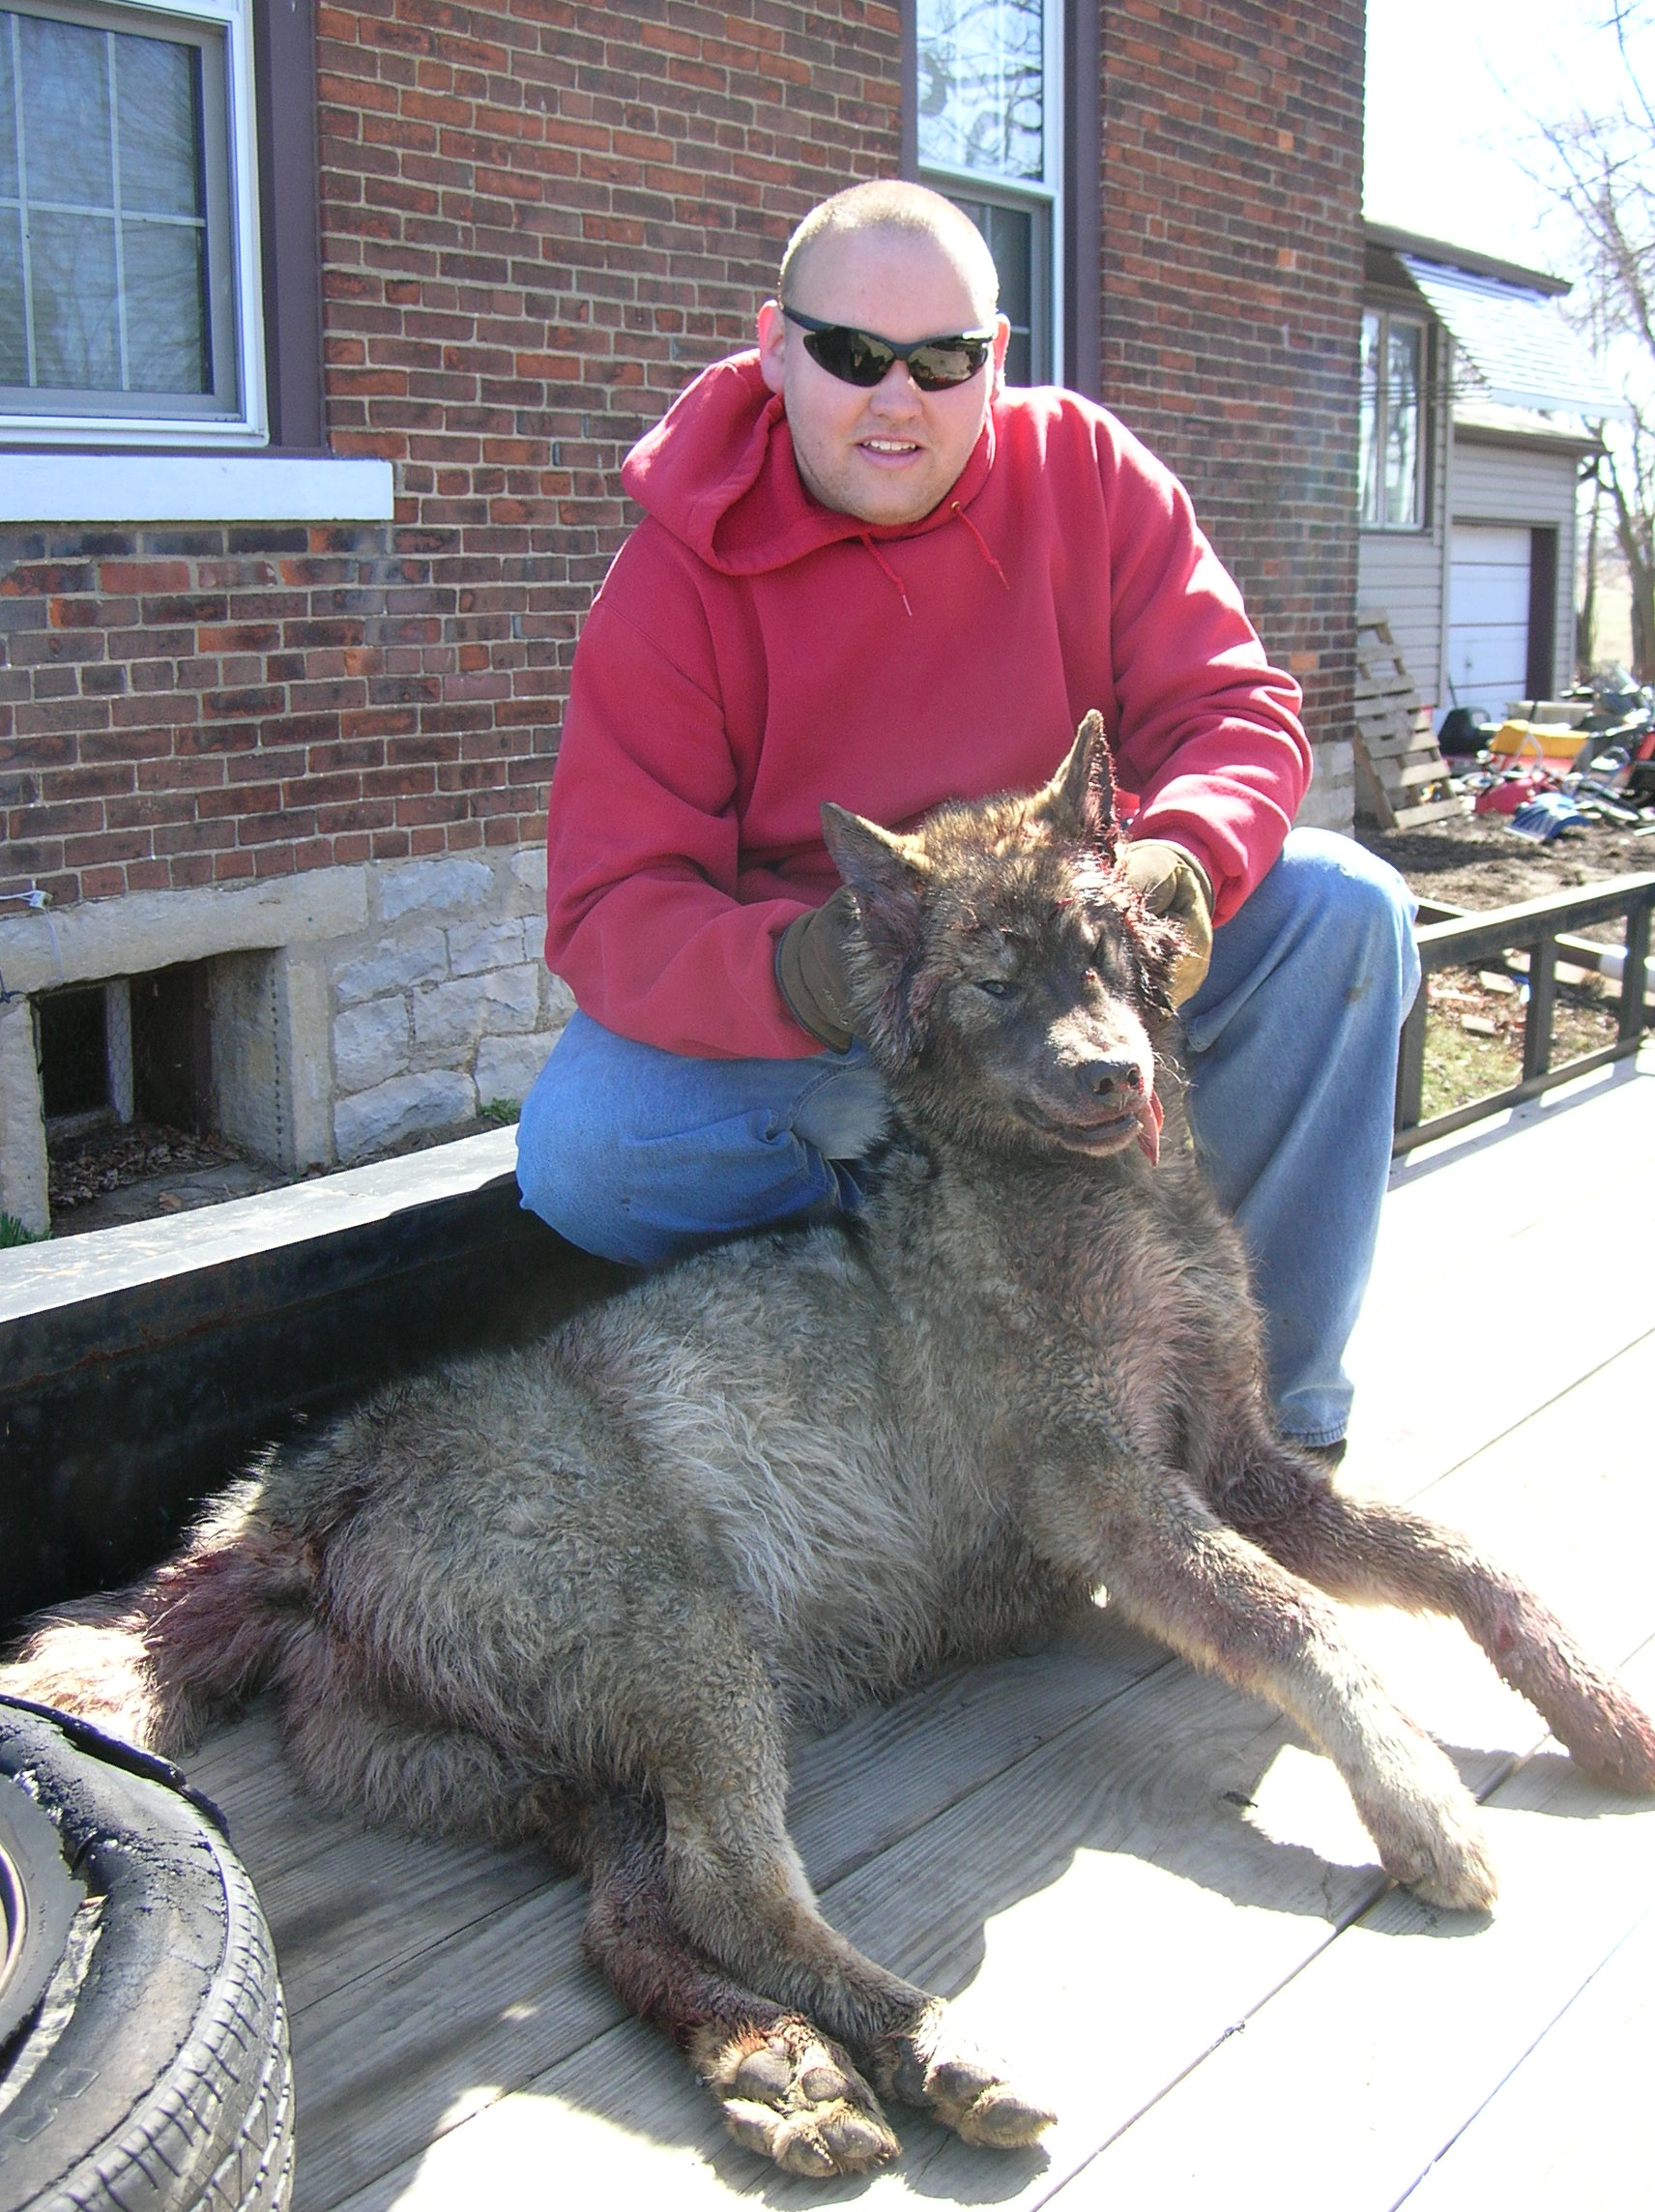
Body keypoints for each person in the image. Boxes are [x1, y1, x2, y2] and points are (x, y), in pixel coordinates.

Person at [515, 181, 1418, 1458]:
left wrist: (1175, 862)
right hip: (847, 1022)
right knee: (590, 1150)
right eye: (849, 355)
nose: (898, 399)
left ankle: (1259, 1433)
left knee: (1345, 908)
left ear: (995, 358)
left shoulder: (1088, 472)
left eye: (943, 361)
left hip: (1091, 964)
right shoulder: (673, 579)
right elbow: (612, 906)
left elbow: (1234, 710)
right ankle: (965, 1312)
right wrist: (807, 969)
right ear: (775, 346)